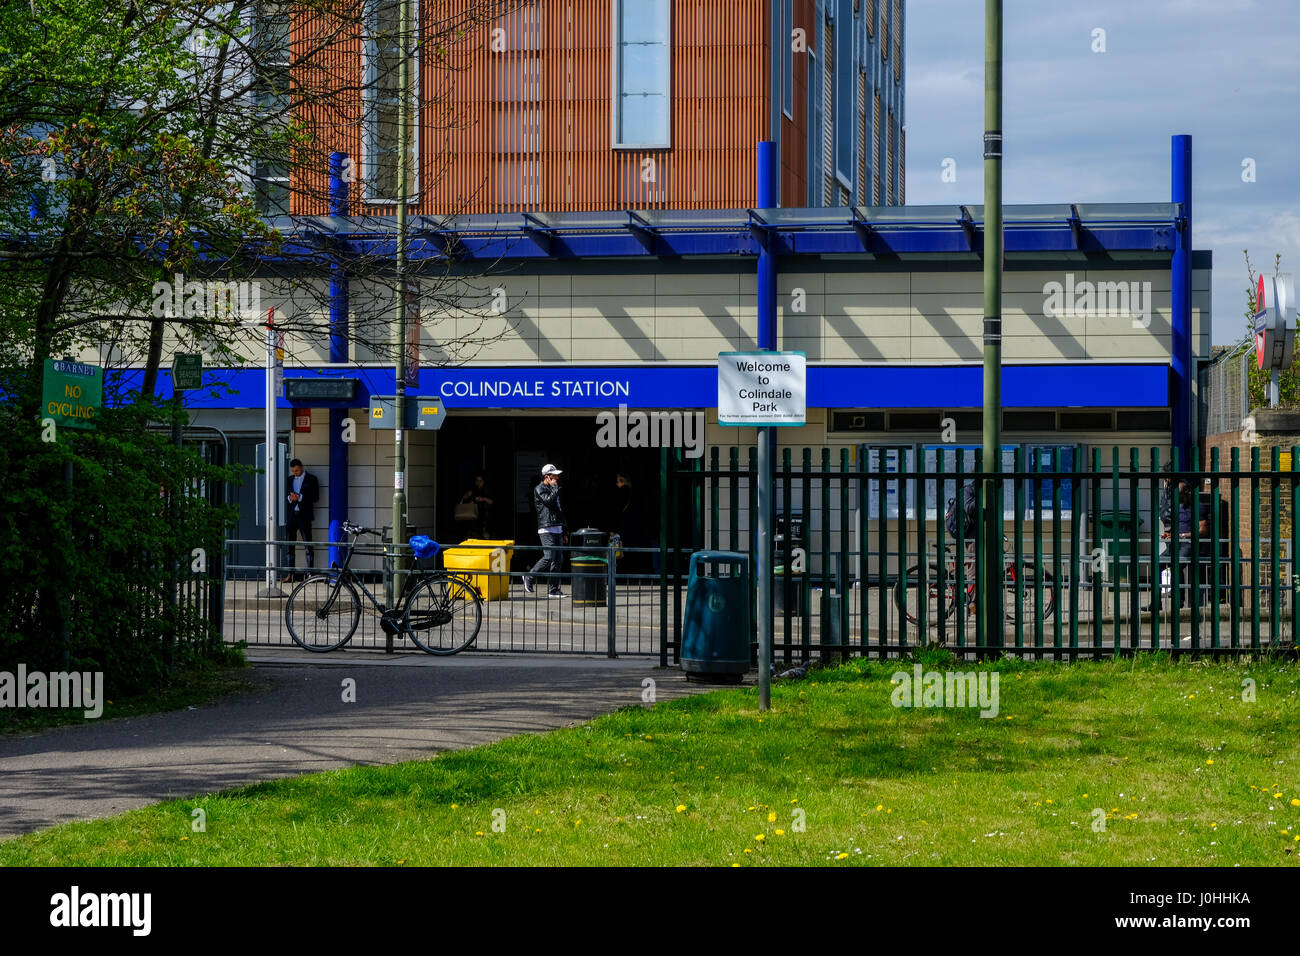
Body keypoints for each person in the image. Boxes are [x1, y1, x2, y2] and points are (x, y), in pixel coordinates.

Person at [523, 463, 567, 597]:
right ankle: (529, 576)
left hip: (557, 528)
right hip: (546, 528)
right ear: (547, 476)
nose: (557, 478)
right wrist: (554, 489)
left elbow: (559, 509)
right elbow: (548, 502)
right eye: (554, 476)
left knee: (558, 559)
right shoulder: (539, 488)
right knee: (549, 556)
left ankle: (553, 590)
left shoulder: (554, 489)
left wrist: (564, 530)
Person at [282, 458, 319, 582]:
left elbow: (316, 497)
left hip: (304, 516)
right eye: (293, 471)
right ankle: (290, 574)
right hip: (292, 516)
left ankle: (310, 574)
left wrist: (300, 497)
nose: (295, 473)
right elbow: (286, 496)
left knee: (308, 544)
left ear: (301, 467)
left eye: (297, 470)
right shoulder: (289, 479)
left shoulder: (312, 479)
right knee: (289, 546)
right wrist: (290, 498)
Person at [457, 472, 494, 537]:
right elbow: (465, 499)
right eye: (477, 481)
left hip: (485, 516)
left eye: (480, 481)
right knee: (473, 534)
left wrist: (483, 499)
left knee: (485, 535)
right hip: (473, 517)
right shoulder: (473, 490)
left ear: (484, 481)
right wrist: (467, 496)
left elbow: (492, 502)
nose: (478, 483)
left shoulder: (487, 490)